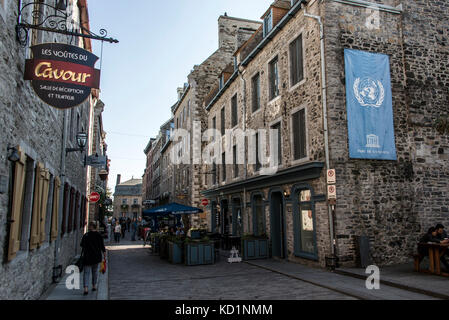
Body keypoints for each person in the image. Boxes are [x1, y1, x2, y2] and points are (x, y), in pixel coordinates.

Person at [80, 222, 106, 295]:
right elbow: (102, 246)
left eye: (89, 226)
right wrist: (104, 254)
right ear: (95, 227)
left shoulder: (86, 235)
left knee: (86, 273)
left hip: (87, 257)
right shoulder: (99, 235)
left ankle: (86, 288)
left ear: (91, 227)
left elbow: (82, 245)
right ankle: (94, 285)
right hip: (96, 257)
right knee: (95, 272)